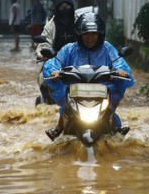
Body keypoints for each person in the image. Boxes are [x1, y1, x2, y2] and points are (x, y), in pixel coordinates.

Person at [43, 13, 134, 141]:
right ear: (79, 34)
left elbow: (119, 62)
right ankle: (59, 127)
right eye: (86, 34)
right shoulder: (69, 49)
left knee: (109, 108)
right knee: (66, 104)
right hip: (75, 90)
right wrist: (54, 71)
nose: (90, 37)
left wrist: (121, 71)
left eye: (94, 33)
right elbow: (54, 62)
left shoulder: (107, 48)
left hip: (102, 89)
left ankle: (115, 127)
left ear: (100, 34)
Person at [35, 0, 76, 105]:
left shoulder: (78, 22)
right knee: (43, 78)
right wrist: (43, 53)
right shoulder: (51, 25)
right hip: (56, 60)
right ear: (57, 8)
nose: (65, 9)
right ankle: (48, 101)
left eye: (67, 6)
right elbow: (44, 42)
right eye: (62, 6)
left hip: (78, 60)